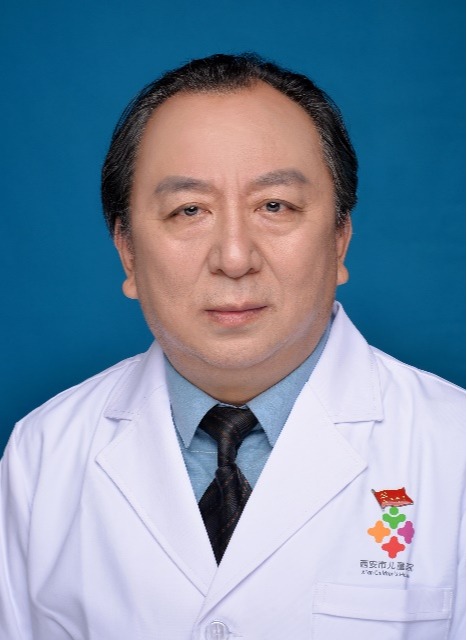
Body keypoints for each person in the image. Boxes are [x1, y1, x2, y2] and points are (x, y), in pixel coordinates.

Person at [0, 53, 464, 640]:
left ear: (340, 239)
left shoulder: (454, 451)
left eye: (275, 206)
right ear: (127, 251)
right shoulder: (43, 455)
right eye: (189, 210)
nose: (235, 257)